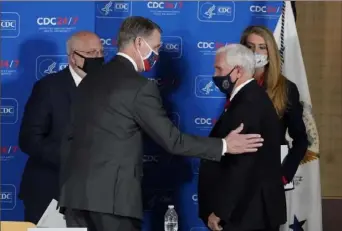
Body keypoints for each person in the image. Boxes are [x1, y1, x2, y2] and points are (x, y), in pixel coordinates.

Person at [59, 17, 264, 231]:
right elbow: (173, 141)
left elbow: (69, 138)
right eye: (155, 47)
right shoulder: (138, 87)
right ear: (139, 43)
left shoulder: (88, 80)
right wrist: (224, 146)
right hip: (111, 202)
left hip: (74, 200)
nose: (156, 55)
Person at [18, 31, 104, 224]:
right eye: (91, 53)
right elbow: (29, 139)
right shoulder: (49, 88)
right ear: (73, 57)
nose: (98, 58)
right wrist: (71, 157)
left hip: (95, 196)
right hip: (51, 192)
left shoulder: (108, 88)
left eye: (100, 52)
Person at [198, 44, 286, 231]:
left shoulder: (248, 104)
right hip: (248, 212)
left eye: (219, 69)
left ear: (237, 71)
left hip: (245, 215)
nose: (215, 74)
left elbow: (241, 165)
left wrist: (221, 211)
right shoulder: (248, 98)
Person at [240, 25, 308, 187]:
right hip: (239, 171)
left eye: (262, 48)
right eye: (250, 47)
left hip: (271, 174)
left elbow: (301, 139)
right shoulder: (235, 84)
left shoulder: (286, 89)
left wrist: (284, 175)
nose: (256, 52)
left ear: (270, 52)